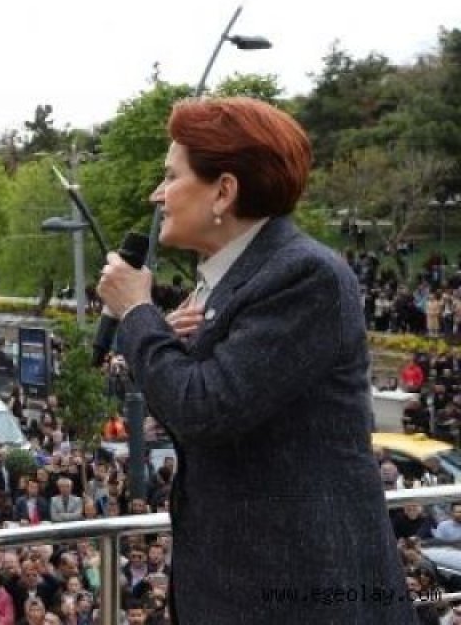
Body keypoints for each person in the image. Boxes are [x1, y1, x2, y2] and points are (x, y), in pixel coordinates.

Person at [96, 96, 414, 624]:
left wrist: (136, 312)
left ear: (224, 190)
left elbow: (204, 409)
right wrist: (162, 338)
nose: (158, 195)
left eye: (171, 177)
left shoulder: (303, 276)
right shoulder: (232, 284)